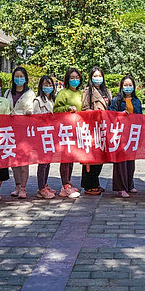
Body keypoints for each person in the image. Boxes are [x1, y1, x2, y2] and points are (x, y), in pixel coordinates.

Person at [5, 67, 35, 199]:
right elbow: (4, 107)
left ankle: (23, 187)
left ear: (26, 78)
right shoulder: (7, 92)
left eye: (21, 76)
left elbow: (32, 109)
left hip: (23, 131)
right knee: (13, 161)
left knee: (23, 161)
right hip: (10, 131)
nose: (19, 79)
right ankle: (17, 185)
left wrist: (27, 113)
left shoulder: (30, 93)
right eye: (16, 76)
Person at [81, 66, 112, 194]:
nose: (97, 78)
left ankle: (96, 182)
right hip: (92, 128)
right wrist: (95, 113)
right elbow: (84, 109)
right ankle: (89, 185)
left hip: (104, 128)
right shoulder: (88, 91)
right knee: (91, 158)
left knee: (100, 158)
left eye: (99, 76)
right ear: (91, 77)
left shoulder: (107, 91)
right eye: (95, 76)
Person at [53, 68, 83, 198]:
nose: (74, 80)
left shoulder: (81, 93)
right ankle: (64, 186)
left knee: (71, 158)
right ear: (67, 79)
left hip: (77, 129)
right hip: (65, 129)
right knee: (65, 158)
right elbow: (56, 109)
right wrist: (67, 108)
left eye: (77, 77)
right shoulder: (63, 93)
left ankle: (68, 182)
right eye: (72, 78)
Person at [110, 76, 141, 197]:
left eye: (130, 85)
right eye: (125, 85)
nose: (128, 87)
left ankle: (129, 185)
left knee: (130, 161)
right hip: (120, 134)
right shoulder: (116, 100)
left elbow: (140, 117)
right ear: (121, 86)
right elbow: (110, 114)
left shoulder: (137, 101)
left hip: (132, 134)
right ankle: (121, 187)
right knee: (120, 162)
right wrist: (120, 115)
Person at [33, 75, 58, 199]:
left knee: (48, 161)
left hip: (52, 134)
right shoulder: (37, 101)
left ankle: (45, 184)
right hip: (43, 134)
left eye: (50, 85)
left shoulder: (54, 100)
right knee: (42, 162)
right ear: (41, 86)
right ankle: (41, 188)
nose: (48, 87)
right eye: (45, 85)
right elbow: (36, 118)